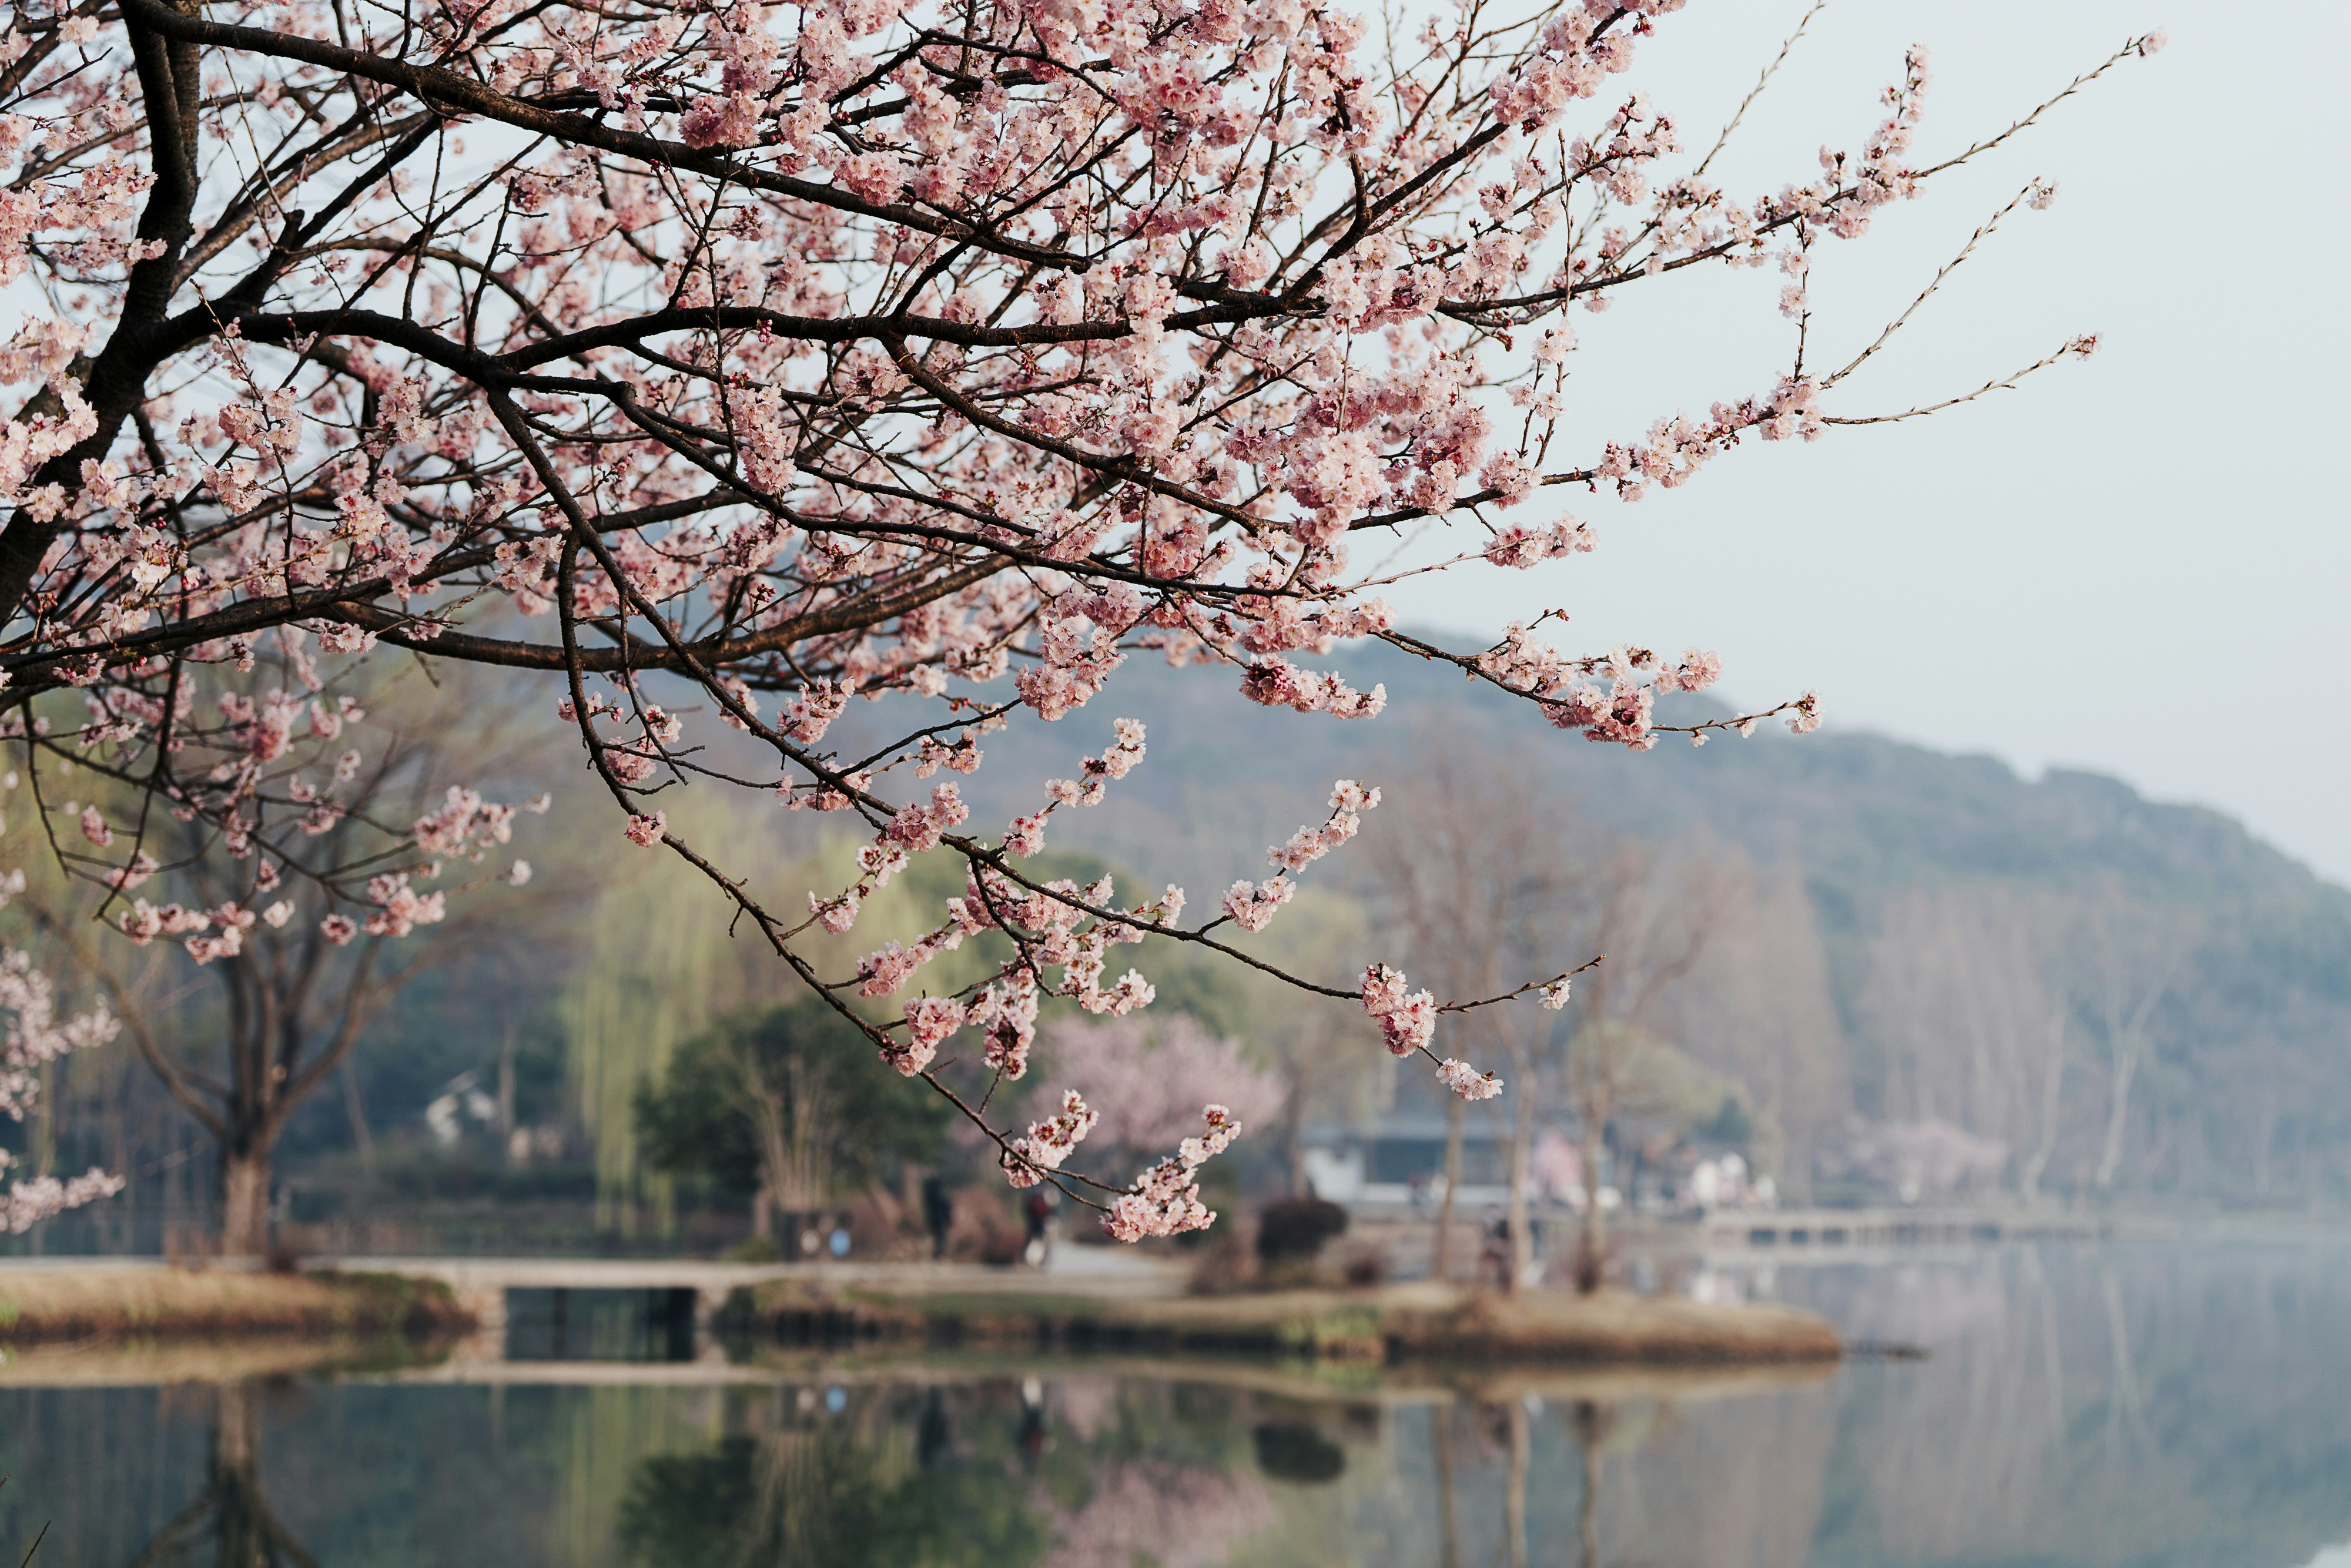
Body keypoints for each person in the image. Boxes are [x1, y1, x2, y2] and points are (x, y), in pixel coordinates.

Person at [922, 1174, 955, 1260]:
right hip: (938, 1220)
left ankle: (938, 1254)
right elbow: (945, 1204)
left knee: (938, 1238)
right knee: (940, 1238)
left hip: (934, 1219)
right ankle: (938, 1255)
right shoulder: (935, 1196)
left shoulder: (929, 1195)